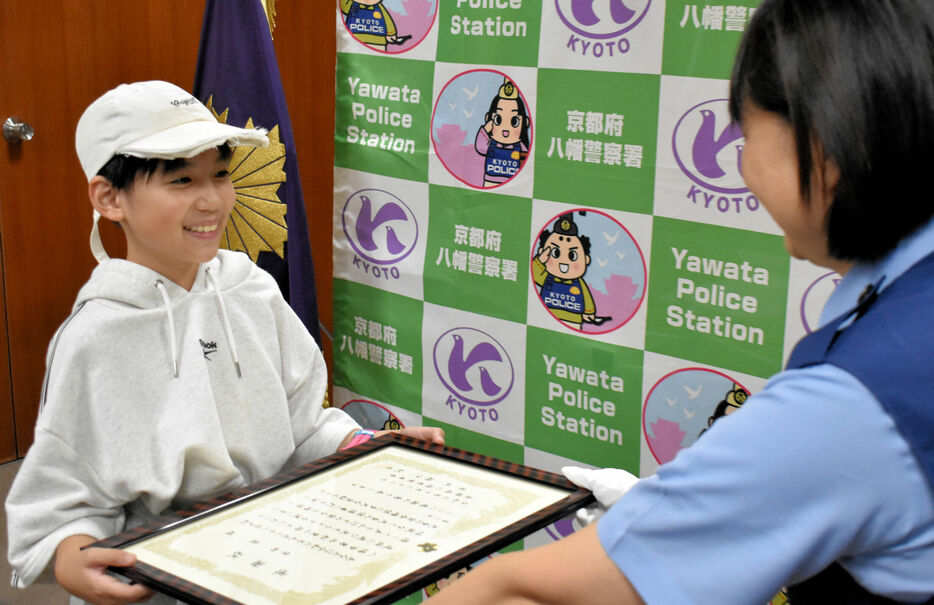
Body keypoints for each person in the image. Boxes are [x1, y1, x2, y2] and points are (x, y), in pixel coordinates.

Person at [431, 0, 934, 603]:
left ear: (823, 141)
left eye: (747, 135)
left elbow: (518, 590)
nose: (742, 166)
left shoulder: (854, 401)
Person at [4, 80, 443, 605]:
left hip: (279, 550)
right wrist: (73, 557)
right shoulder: (97, 336)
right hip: (162, 572)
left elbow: (304, 422)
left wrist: (365, 449)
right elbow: (63, 500)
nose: (211, 199)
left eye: (220, 174)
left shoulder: (251, 288)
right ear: (109, 197)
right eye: (182, 179)